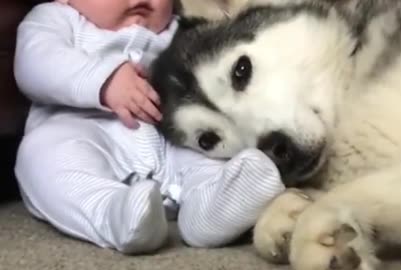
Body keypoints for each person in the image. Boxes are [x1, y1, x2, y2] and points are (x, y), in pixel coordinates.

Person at [13, 0, 285, 254]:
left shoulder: (178, 30)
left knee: (204, 157)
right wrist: (104, 81)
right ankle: (114, 213)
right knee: (40, 155)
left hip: (168, 142)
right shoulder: (56, 19)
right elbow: (35, 62)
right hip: (82, 131)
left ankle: (210, 208)